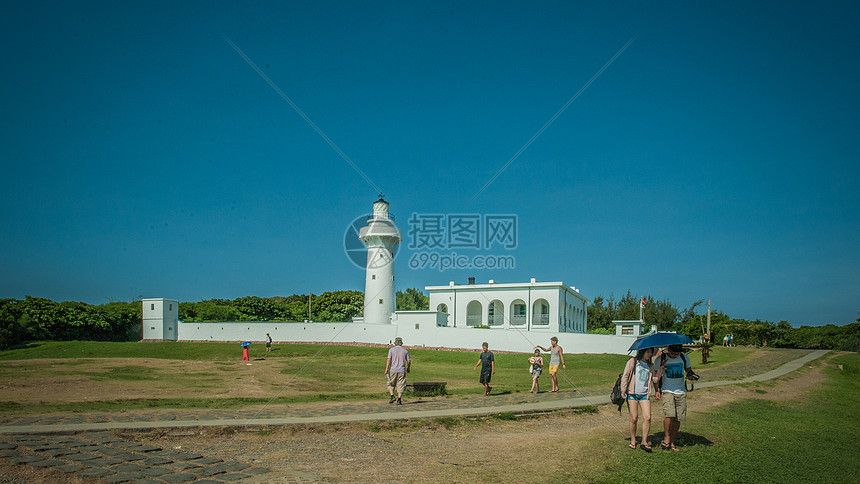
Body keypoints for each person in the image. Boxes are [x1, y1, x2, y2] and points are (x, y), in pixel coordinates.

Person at [653, 344, 692, 451]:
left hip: (681, 391)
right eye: (671, 353)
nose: (674, 356)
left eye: (676, 354)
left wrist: (691, 375)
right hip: (667, 390)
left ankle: (672, 441)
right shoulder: (661, 359)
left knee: (678, 418)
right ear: (667, 350)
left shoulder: (684, 358)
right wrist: (656, 390)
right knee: (669, 415)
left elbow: (688, 370)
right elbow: (655, 375)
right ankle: (667, 437)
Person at [621, 347, 657, 450]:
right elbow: (626, 375)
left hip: (644, 394)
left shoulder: (650, 366)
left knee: (647, 417)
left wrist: (660, 370)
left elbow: (654, 379)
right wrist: (623, 389)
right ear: (642, 352)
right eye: (648, 352)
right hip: (632, 393)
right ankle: (633, 439)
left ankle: (644, 441)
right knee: (634, 418)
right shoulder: (633, 362)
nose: (649, 354)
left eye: (651, 352)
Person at [385, 337, 411, 405]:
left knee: (391, 383)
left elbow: (389, 359)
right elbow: (409, 360)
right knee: (401, 384)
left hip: (393, 369)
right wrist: (408, 368)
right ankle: (399, 399)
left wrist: (386, 368)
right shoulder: (405, 351)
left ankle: (392, 396)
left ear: (395, 343)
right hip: (402, 370)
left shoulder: (391, 350)